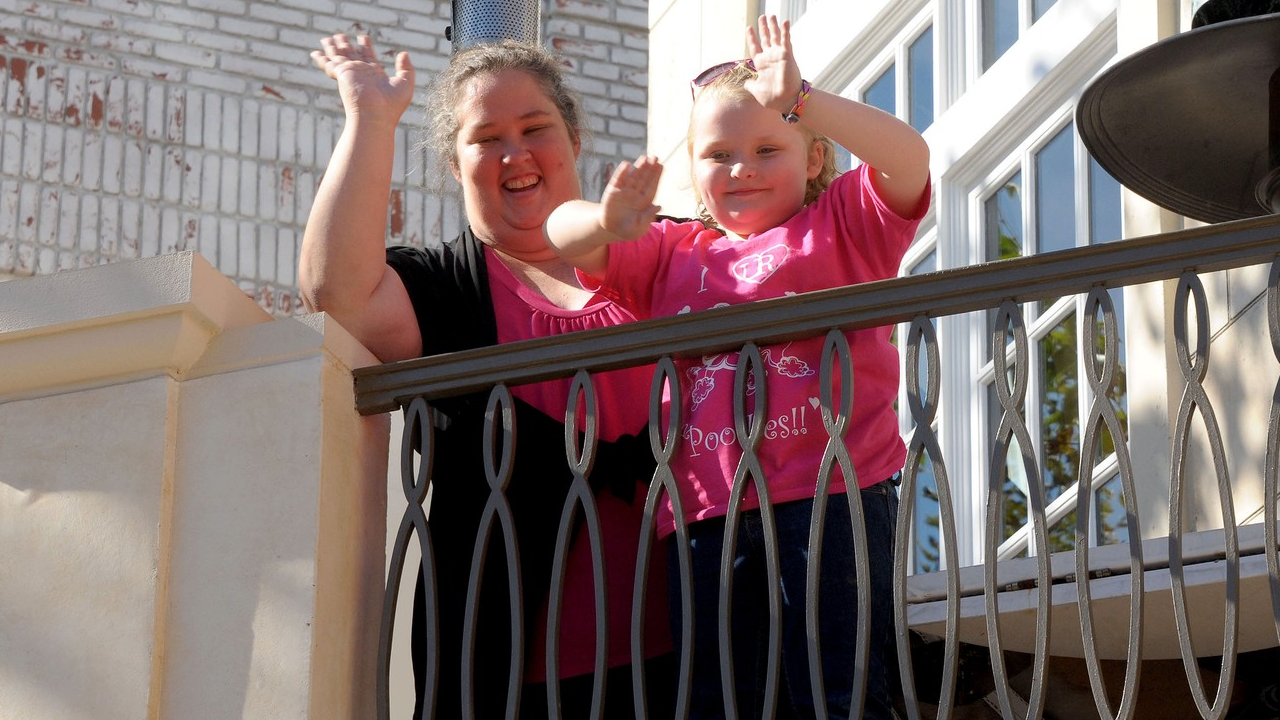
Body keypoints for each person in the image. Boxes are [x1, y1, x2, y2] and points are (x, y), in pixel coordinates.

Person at [544, 14, 930, 720]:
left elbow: (909, 159)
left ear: (813, 159)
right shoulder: (673, 254)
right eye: (718, 154)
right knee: (717, 700)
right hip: (707, 512)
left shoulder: (842, 225)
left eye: (767, 148)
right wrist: (606, 223)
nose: (741, 169)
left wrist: (803, 99)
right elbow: (559, 233)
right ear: (694, 171)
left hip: (832, 495)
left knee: (839, 692)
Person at [302, 33, 674, 719]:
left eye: (535, 129)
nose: (515, 154)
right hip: (511, 684)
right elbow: (337, 294)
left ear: (574, 141)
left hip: (707, 661)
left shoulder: (664, 253)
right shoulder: (446, 285)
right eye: (485, 139)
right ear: (455, 164)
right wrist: (371, 118)